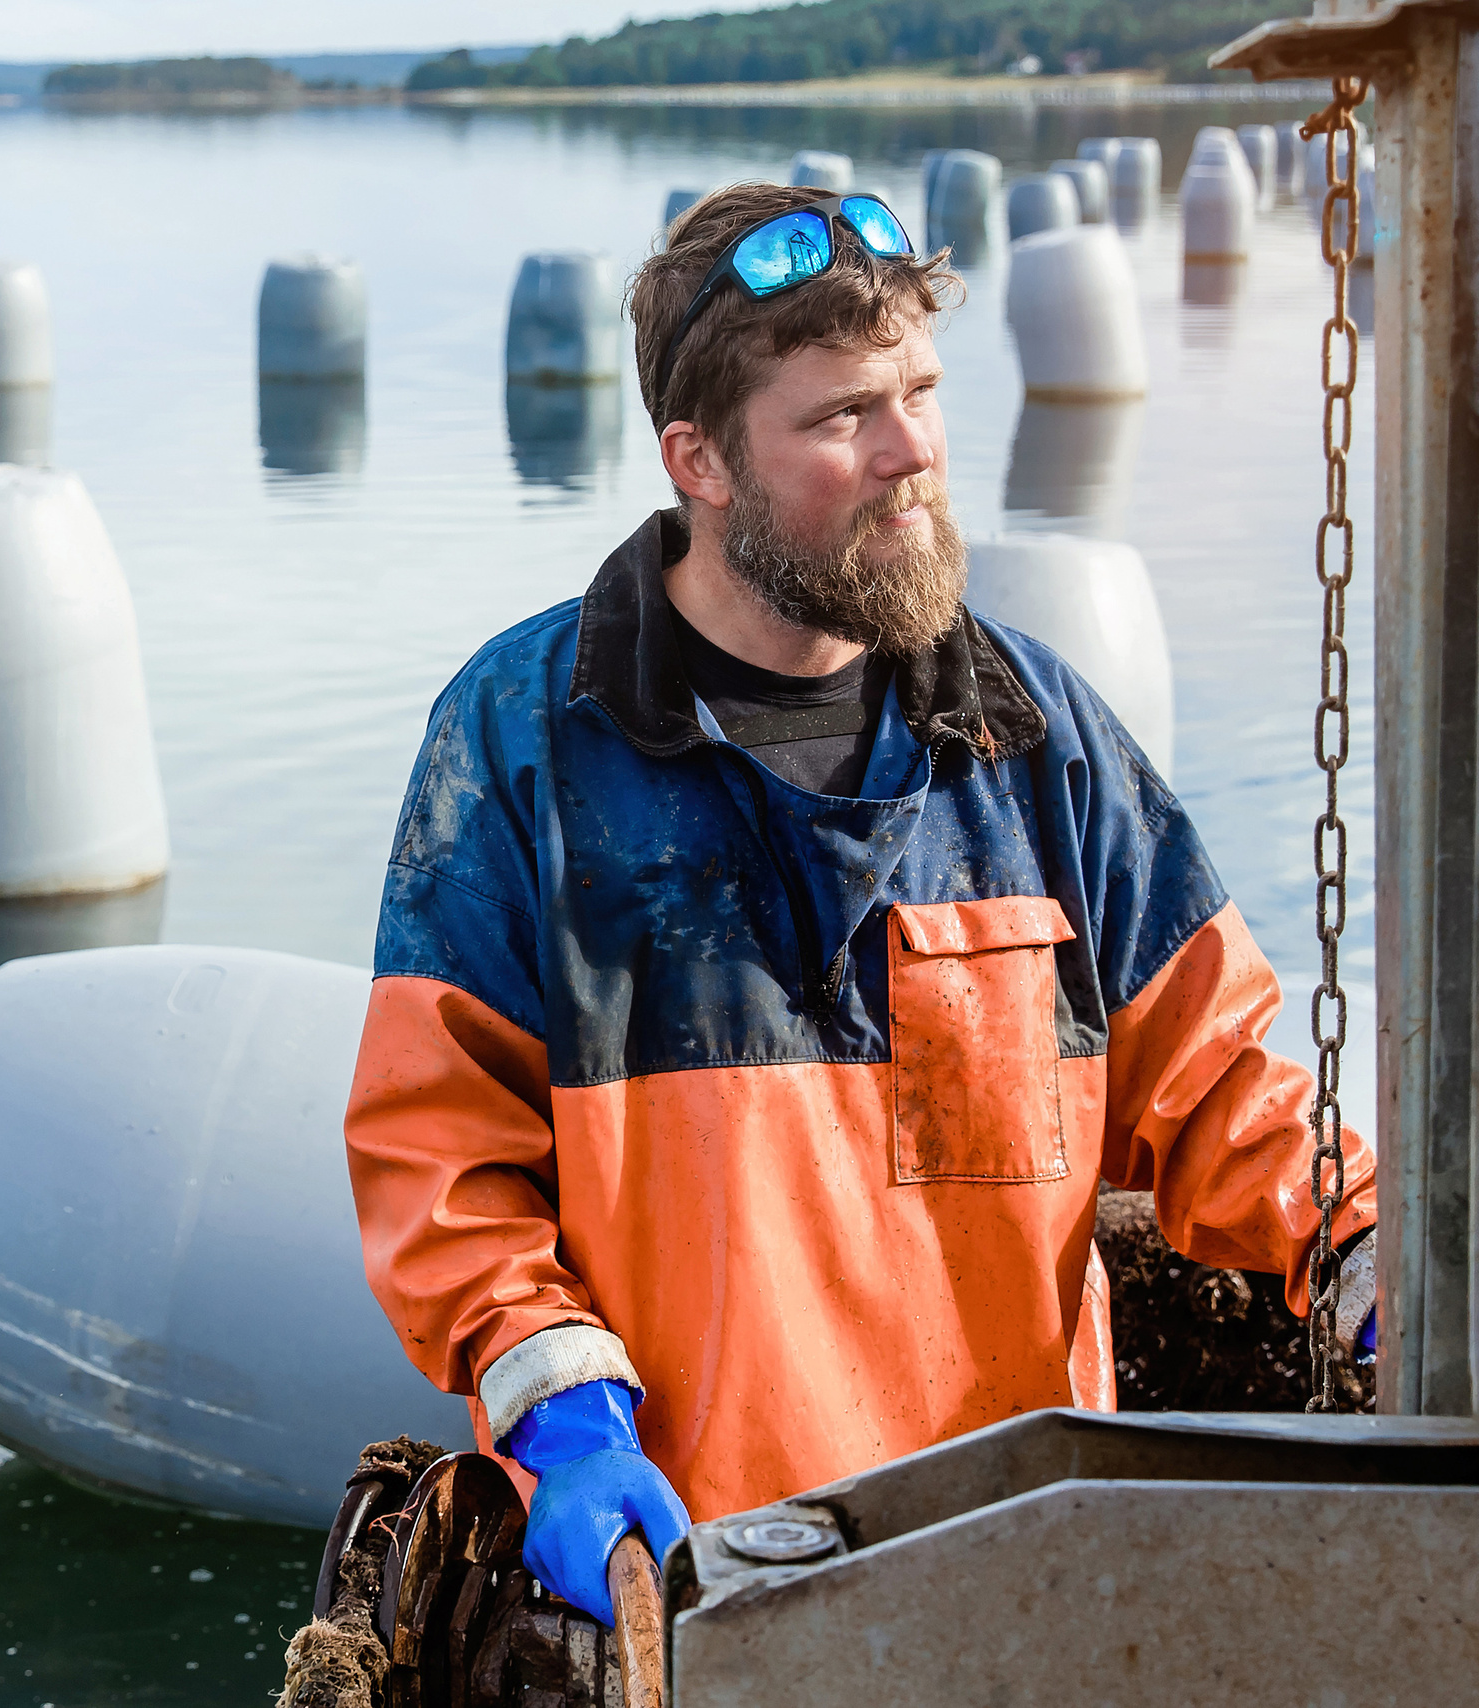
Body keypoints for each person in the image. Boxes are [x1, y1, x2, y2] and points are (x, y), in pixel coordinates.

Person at [342, 182, 1381, 1627]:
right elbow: (440, 1153)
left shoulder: (1034, 736)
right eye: (843, 416)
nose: (914, 452)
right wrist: (562, 1412)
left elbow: (1220, 1090)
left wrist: (1367, 1248)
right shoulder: (523, 740)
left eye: (922, 392)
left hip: (1028, 1573)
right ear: (699, 460)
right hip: (698, 1587)